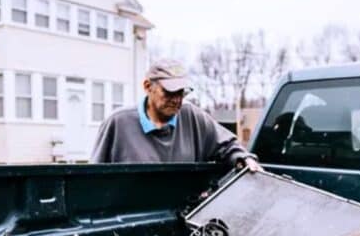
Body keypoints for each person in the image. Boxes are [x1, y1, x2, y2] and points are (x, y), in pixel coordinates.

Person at [90, 59, 261, 171]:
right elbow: (92, 179)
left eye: (181, 92)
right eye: (170, 92)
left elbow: (227, 146)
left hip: (181, 217)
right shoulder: (118, 123)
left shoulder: (192, 117)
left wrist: (243, 159)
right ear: (148, 86)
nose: (177, 100)